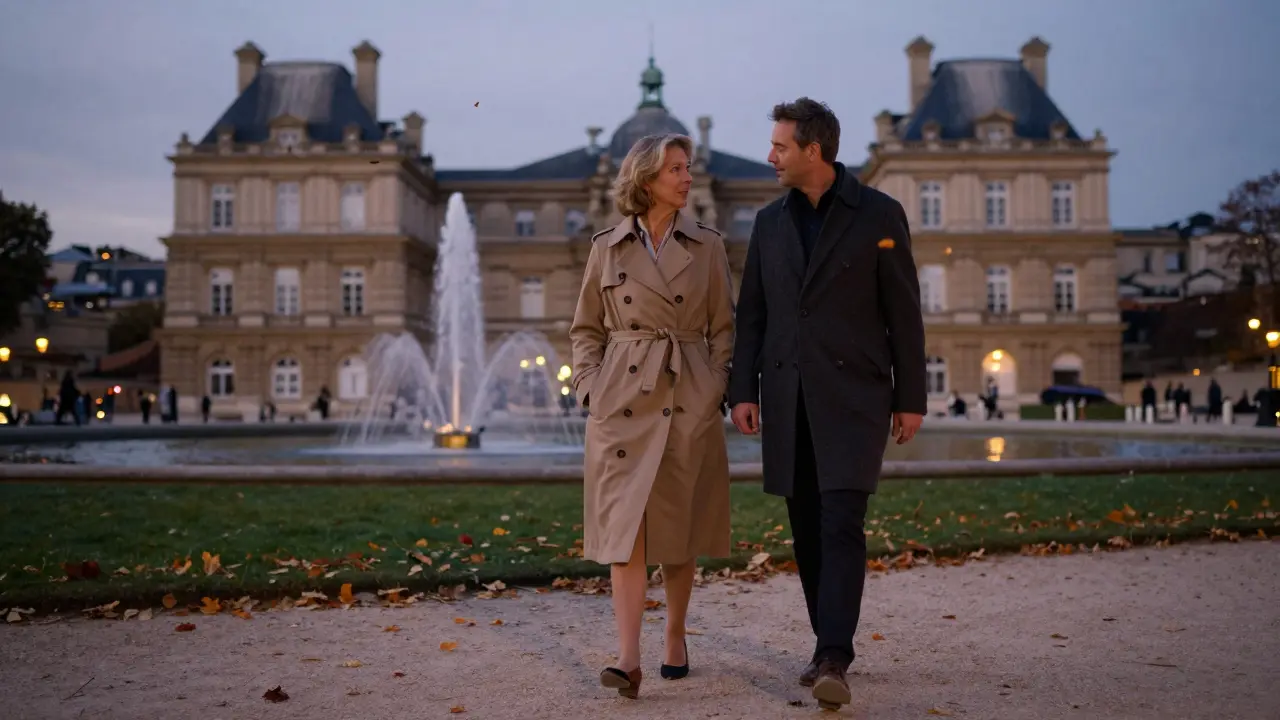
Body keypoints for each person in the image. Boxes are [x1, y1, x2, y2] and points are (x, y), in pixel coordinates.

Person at [727, 98, 926, 711]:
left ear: (813, 150)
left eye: (780, 146)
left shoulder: (880, 214)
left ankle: (835, 653)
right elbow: (753, 314)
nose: (770, 157)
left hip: (855, 396)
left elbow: (904, 315)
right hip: (788, 396)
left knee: (842, 521)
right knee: (807, 529)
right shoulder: (768, 223)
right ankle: (825, 646)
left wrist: (910, 397)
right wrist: (742, 390)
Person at [569, 132, 734, 700]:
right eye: (677, 170)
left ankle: (675, 636)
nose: (688, 178)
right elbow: (585, 329)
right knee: (625, 532)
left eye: (688, 168)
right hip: (621, 401)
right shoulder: (606, 247)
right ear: (646, 180)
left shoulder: (708, 245)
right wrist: (591, 388)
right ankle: (628, 657)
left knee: (678, 530)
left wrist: (712, 386)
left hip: (686, 395)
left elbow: (724, 331)